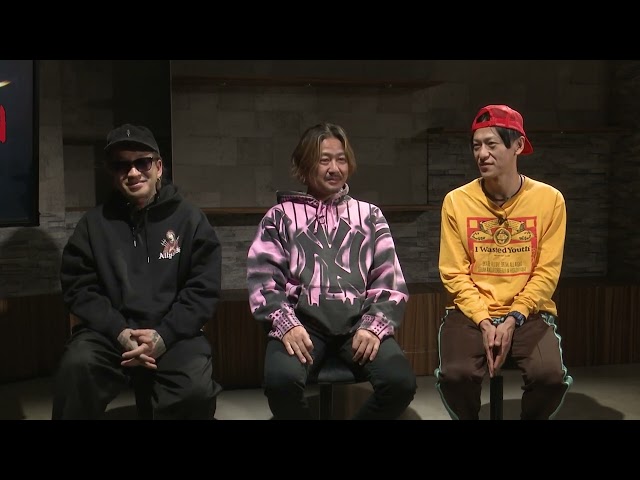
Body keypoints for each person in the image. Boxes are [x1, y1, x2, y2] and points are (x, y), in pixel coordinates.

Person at [247, 122, 417, 420]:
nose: (334, 168)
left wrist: (374, 325)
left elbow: (389, 281)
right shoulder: (279, 217)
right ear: (304, 166)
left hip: (358, 324)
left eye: (341, 159)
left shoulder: (370, 215)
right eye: (324, 160)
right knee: (280, 383)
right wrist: (286, 324)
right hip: (302, 325)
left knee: (400, 383)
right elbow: (263, 282)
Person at [52, 123, 222, 420]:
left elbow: (202, 290)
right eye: (121, 165)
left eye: (142, 162)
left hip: (173, 333)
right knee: (77, 366)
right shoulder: (93, 225)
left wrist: (164, 335)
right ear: (112, 172)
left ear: (158, 167)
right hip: (110, 333)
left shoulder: (191, 220)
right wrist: (118, 331)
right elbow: (79, 288)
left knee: (194, 391)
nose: (132, 173)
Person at [434, 104, 574, 420]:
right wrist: (484, 320)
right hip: (470, 311)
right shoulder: (456, 201)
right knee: (456, 375)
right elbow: (453, 273)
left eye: (492, 144)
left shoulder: (550, 199)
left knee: (549, 377)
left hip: (529, 312)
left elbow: (546, 272)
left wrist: (513, 318)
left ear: (518, 146)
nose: (482, 154)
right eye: (476, 146)